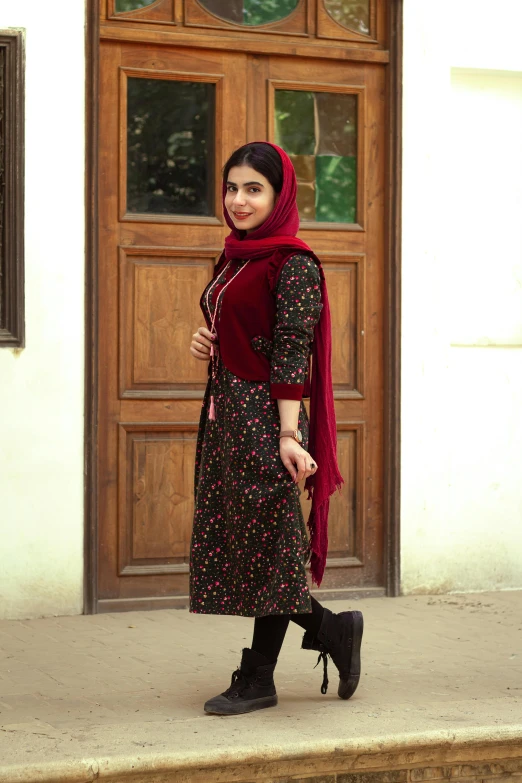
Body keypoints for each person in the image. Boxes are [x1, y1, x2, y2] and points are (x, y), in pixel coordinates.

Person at [189, 141, 363, 716]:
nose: (238, 200)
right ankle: (332, 631)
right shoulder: (238, 254)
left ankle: (263, 675)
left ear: (279, 193)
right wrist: (207, 341)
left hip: (266, 421)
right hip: (226, 419)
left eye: (253, 189)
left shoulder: (293, 264)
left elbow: (292, 354)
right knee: (254, 549)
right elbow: (235, 324)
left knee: (269, 549)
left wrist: (289, 437)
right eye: (232, 187)